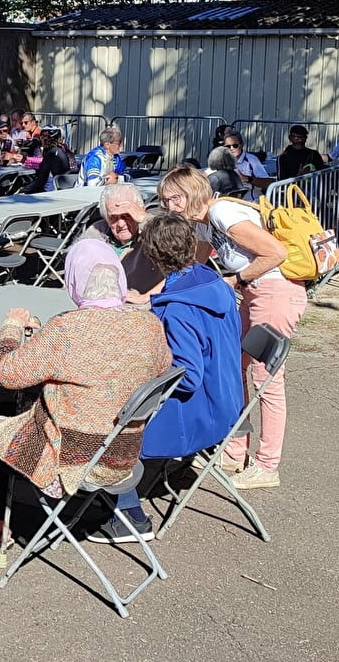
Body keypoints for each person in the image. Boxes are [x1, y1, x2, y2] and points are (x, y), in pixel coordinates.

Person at [0, 240, 168, 578]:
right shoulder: (149, 326)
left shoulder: (68, 329)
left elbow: (6, 372)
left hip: (67, 458)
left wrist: (11, 329)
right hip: (118, 453)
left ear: (74, 280)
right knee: (0, 412)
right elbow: (143, 365)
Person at [92, 212, 244, 543]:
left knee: (107, 418)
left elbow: (186, 377)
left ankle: (129, 516)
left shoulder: (178, 312)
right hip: (229, 397)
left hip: (198, 412)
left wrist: (140, 368)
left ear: (151, 255)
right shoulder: (210, 281)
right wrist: (151, 304)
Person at [158, 165, 306, 490]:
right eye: (165, 201)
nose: (169, 207)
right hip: (253, 292)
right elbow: (193, 265)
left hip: (276, 290)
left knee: (265, 378)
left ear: (189, 194)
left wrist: (235, 279)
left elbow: (275, 253)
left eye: (173, 200)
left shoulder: (223, 211)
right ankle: (235, 451)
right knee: (233, 366)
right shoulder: (203, 223)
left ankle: (268, 465)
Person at [80, 183, 163, 298]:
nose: (121, 224)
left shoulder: (155, 232)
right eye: (113, 217)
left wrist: (145, 219)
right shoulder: (95, 233)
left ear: (140, 211)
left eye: (127, 215)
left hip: (144, 305)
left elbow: (177, 249)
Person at [222, 129, 272, 200]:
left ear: (241, 145)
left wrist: (246, 178)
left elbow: (267, 182)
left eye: (235, 145)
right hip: (228, 202)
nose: (231, 148)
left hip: (250, 203)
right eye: (228, 146)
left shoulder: (251, 160)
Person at [28, 127, 72, 192]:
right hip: (68, 186)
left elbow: (41, 181)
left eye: (42, 137)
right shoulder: (65, 149)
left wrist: (23, 190)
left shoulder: (51, 153)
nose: (41, 140)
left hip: (53, 190)